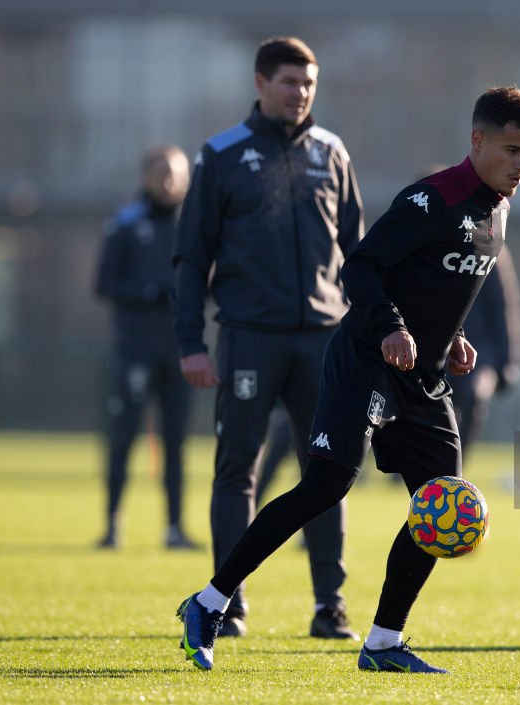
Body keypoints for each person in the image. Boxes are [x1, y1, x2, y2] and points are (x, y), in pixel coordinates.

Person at [176, 86, 520, 673]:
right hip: (367, 360)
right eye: (511, 149)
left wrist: (451, 340)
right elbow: (364, 267)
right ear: (477, 141)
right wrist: (392, 328)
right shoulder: (431, 199)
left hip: (423, 379)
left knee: (440, 503)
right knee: (325, 486)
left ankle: (382, 643)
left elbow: (442, 285)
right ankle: (210, 601)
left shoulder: (498, 208)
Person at [172, 36, 364, 640]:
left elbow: (358, 253)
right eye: (289, 82)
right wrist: (190, 342)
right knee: (237, 472)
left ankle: (328, 605)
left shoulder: (332, 152)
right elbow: (191, 256)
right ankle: (225, 604)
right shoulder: (221, 154)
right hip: (249, 337)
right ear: (260, 83)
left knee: (326, 472)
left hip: (324, 342)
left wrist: (369, 330)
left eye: (308, 84)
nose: (300, 93)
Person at [95, 144, 199, 550]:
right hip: (134, 350)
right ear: (145, 176)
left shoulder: (194, 226)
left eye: (175, 173)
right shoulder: (124, 224)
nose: (169, 180)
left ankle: (174, 529)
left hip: (181, 352)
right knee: (122, 438)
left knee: (176, 444)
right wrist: (150, 291)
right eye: (161, 172)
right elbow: (104, 284)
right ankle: (112, 526)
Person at [449, 246, 520, 459]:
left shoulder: (492, 246)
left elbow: (503, 305)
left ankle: (455, 465)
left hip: (480, 352)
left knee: (474, 399)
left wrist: (506, 362)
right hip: (440, 341)